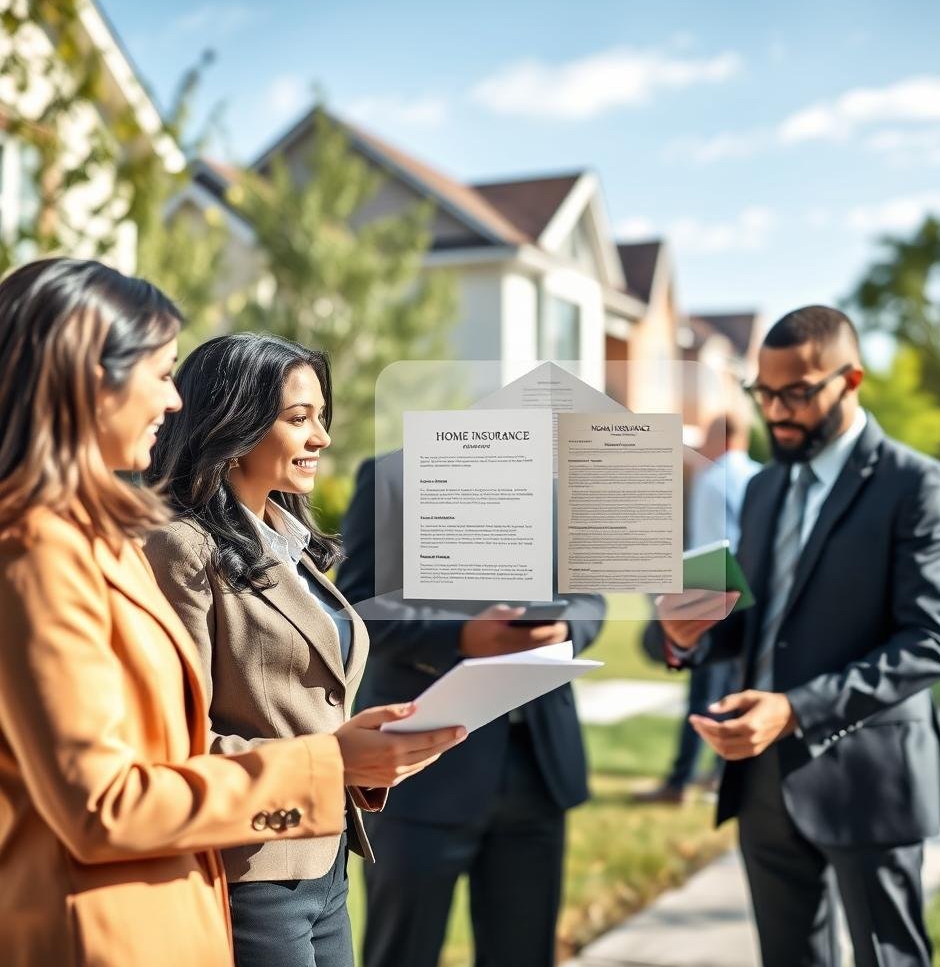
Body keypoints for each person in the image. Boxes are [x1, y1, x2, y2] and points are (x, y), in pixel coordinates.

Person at [0, 259, 465, 967]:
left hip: (222, 883)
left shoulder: (100, 541)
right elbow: (106, 800)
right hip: (133, 914)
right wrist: (327, 765)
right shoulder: (40, 553)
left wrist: (352, 757)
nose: (174, 400)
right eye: (160, 373)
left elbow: (162, 735)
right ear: (89, 380)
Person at [656, 305, 940, 966]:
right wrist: (691, 637)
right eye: (763, 393)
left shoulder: (919, 485)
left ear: (850, 380)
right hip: (763, 780)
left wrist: (796, 708)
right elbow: (758, 622)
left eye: (795, 393)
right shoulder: (767, 486)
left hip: (870, 779)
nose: (776, 411)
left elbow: (930, 642)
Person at [144, 333, 456, 967]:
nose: (322, 438)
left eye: (322, 417)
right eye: (298, 419)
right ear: (234, 424)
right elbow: (178, 742)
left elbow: (315, 701)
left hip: (325, 856)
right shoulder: (181, 548)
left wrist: (367, 758)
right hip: (247, 869)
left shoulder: (287, 542)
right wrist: (335, 760)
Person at [338, 450, 605, 967]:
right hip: (422, 770)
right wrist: (461, 636)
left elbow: (591, 596)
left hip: (537, 768)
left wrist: (568, 627)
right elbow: (358, 606)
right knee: (403, 952)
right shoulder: (393, 475)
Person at [635, 410, 759, 805]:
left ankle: (679, 782)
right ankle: (720, 775)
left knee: (703, 692)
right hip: (752, 598)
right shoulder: (760, 476)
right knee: (737, 689)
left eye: (706, 438)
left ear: (722, 438)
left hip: (714, 593)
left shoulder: (712, 479)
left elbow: (709, 546)